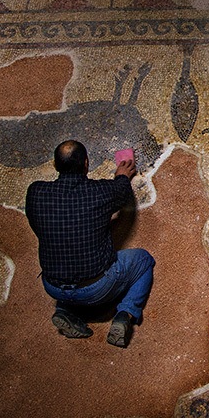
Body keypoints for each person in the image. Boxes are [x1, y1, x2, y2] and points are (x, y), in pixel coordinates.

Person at [26, 140, 154, 348]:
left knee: (66, 271)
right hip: (97, 288)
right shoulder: (100, 192)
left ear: (55, 165)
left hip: (52, 287)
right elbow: (122, 192)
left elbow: (37, 227)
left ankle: (65, 310)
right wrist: (122, 175)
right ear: (86, 163)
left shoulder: (35, 193)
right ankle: (125, 313)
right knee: (144, 260)